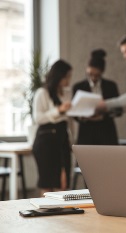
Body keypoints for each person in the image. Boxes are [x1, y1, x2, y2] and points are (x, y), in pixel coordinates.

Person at [32, 59, 73, 196]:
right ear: (59, 76)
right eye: (66, 76)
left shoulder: (66, 93)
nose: (68, 80)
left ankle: (62, 216)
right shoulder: (42, 93)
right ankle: (45, 214)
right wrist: (58, 110)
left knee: (63, 182)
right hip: (46, 141)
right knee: (47, 183)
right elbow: (38, 118)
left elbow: (69, 120)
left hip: (62, 138)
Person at [73, 49, 122, 145]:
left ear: (102, 72)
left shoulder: (111, 86)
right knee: (85, 159)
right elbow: (74, 113)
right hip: (86, 133)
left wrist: (104, 114)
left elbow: (119, 110)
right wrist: (83, 116)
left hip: (106, 132)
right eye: (90, 74)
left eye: (96, 75)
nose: (93, 78)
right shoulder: (78, 87)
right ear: (87, 69)